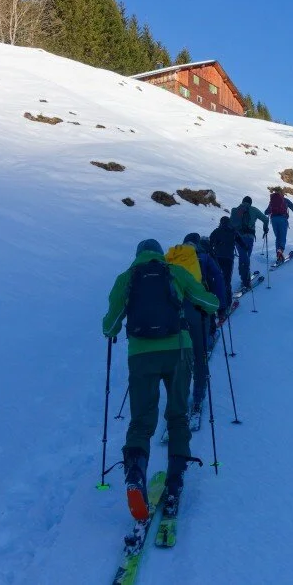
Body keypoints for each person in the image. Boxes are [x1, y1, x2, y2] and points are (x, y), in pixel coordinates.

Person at [102, 239, 219, 520]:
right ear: (159, 253)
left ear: (138, 254)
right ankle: (176, 481)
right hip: (178, 351)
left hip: (141, 356)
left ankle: (134, 475)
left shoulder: (126, 278)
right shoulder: (175, 272)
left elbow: (110, 325)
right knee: (177, 416)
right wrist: (209, 304)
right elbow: (208, 302)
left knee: (141, 421)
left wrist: (115, 328)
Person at [182, 233, 227, 417]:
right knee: (200, 355)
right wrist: (221, 306)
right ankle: (198, 395)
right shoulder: (204, 257)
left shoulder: (172, 258)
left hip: (176, 312)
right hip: (200, 309)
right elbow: (219, 279)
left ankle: (179, 397)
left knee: (182, 355)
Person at [229, 196, 268, 291]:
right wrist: (265, 228)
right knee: (245, 257)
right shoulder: (253, 210)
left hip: (237, 238)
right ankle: (245, 280)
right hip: (248, 237)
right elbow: (265, 219)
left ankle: (244, 276)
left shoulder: (235, 210)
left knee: (243, 256)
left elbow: (231, 224)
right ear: (250, 203)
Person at [264, 189, 293, 263]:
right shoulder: (285, 200)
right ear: (282, 194)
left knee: (278, 237)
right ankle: (280, 251)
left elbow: (266, 212)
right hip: (282, 219)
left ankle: (278, 255)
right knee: (282, 237)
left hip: (273, 220)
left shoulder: (272, 201)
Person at [209, 216, 236, 309]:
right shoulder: (232, 231)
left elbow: (209, 244)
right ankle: (228, 302)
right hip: (229, 258)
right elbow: (240, 242)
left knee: (218, 278)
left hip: (217, 258)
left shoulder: (216, 231)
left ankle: (217, 300)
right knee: (227, 279)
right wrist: (245, 247)